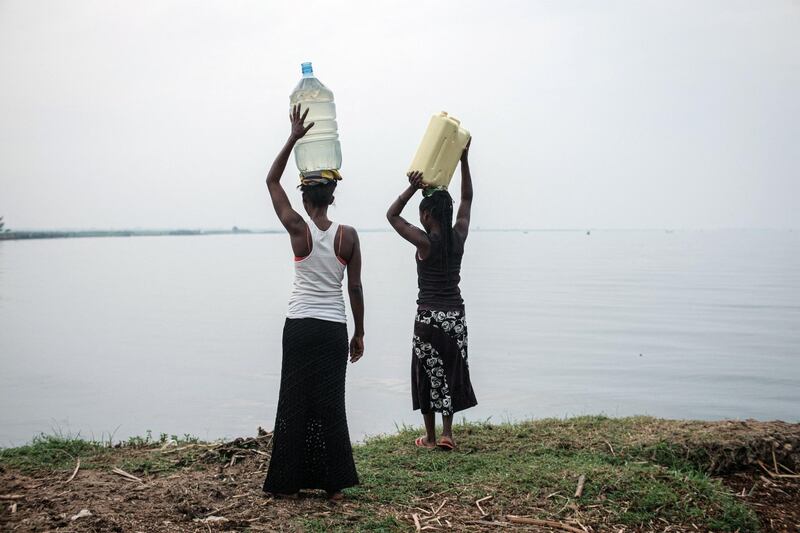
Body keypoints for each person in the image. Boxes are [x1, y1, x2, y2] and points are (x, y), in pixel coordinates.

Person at [262, 105, 364, 501]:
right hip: (333, 328)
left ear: (305, 197)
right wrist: (360, 333)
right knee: (330, 403)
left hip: (300, 326)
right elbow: (354, 288)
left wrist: (292, 137)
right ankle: (334, 486)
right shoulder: (349, 236)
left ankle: (287, 484)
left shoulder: (297, 228)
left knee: (294, 400)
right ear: (333, 196)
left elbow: (271, 180)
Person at [386, 138, 477, 450]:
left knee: (426, 371)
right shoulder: (458, 237)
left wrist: (411, 188)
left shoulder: (425, 243)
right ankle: (448, 435)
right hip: (455, 315)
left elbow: (392, 216)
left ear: (426, 216)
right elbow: (466, 199)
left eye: (422, 214)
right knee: (451, 368)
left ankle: (430, 437)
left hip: (428, 317)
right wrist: (464, 160)